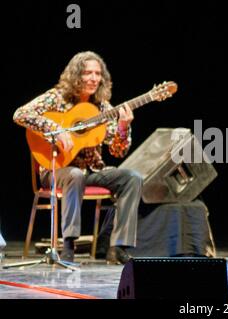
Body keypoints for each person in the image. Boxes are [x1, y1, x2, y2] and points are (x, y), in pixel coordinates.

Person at [13, 51, 143, 264]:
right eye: (87, 73)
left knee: (132, 177)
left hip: (92, 171)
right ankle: (69, 247)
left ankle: (118, 247)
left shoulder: (103, 107)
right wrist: (56, 129)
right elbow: (20, 114)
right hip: (56, 170)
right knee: (74, 174)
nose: (93, 78)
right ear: (75, 75)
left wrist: (123, 127)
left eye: (97, 74)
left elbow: (118, 151)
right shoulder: (56, 98)